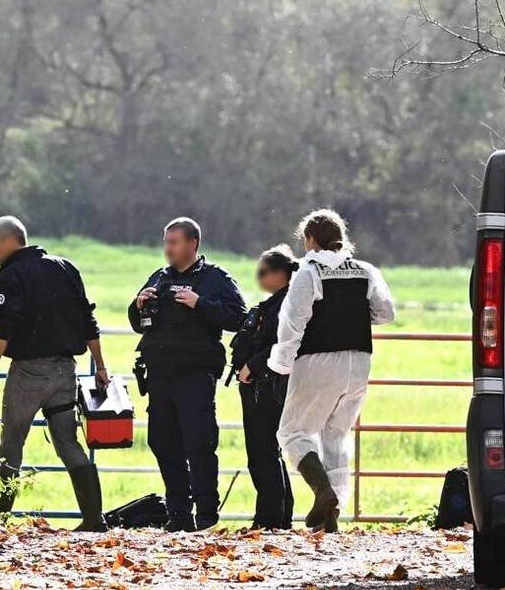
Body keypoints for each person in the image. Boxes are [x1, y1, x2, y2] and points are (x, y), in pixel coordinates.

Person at [267, 209, 395, 532]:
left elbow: (292, 321)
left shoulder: (309, 272)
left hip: (318, 361)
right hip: (359, 362)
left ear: (310, 239)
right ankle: (330, 516)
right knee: (336, 434)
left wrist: (281, 363)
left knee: (292, 432)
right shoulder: (365, 271)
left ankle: (322, 490)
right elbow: (386, 313)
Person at [0, 215, 110, 532]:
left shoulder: (12, 274)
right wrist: (101, 364)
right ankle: (95, 519)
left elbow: (4, 325)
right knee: (68, 442)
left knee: (11, 442)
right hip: (66, 370)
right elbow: (87, 318)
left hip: (28, 372)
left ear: (8, 241)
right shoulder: (66, 267)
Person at [129, 217, 246, 532]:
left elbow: (239, 318)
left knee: (199, 442)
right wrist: (138, 305)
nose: (168, 248)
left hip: (195, 374)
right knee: (163, 443)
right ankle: (179, 515)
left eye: (174, 242)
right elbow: (139, 323)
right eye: (166, 242)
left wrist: (201, 303)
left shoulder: (215, 278)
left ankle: (206, 516)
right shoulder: (159, 277)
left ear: (193, 244)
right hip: (160, 375)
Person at [229, 245, 299, 530]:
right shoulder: (277, 304)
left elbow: (280, 344)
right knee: (269, 452)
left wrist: (252, 366)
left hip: (267, 386)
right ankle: (279, 516)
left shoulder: (284, 306)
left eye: (264, 272)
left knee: (262, 453)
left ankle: (269, 519)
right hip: (262, 386)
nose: (259, 277)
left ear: (280, 274)